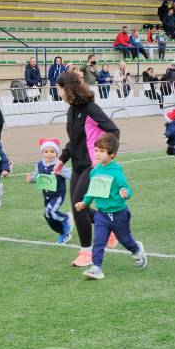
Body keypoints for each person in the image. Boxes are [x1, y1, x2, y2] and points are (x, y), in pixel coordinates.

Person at [53, 70, 121, 267]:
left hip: (93, 166)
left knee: (78, 204)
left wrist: (104, 157)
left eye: (59, 89)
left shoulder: (91, 108)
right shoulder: (72, 110)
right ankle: (112, 228)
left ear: (68, 89)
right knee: (77, 208)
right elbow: (74, 140)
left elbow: (113, 130)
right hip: (77, 164)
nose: (59, 93)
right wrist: (63, 158)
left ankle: (87, 252)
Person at [75, 132, 147, 281]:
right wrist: (84, 203)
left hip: (119, 214)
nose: (97, 154)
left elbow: (128, 190)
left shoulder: (116, 171)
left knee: (125, 240)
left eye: (102, 151)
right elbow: (92, 191)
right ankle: (96, 267)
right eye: (96, 150)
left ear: (112, 154)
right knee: (99, 241)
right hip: (102, 214)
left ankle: (136, 249)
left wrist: (125, 193)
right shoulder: (95, 171)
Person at [26, 138, 72, 242]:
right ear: (42, 152)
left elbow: (72, 176)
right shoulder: (39, 164)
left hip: (58, 194)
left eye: (52, 151)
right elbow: (38, 176)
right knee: (47, 215)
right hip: (46, 195)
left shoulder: (59, 165)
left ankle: (65, 218)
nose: (49, 154)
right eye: (46, 152)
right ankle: (63, 233)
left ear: (57, 153)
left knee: (50, 212)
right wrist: (32, 178)